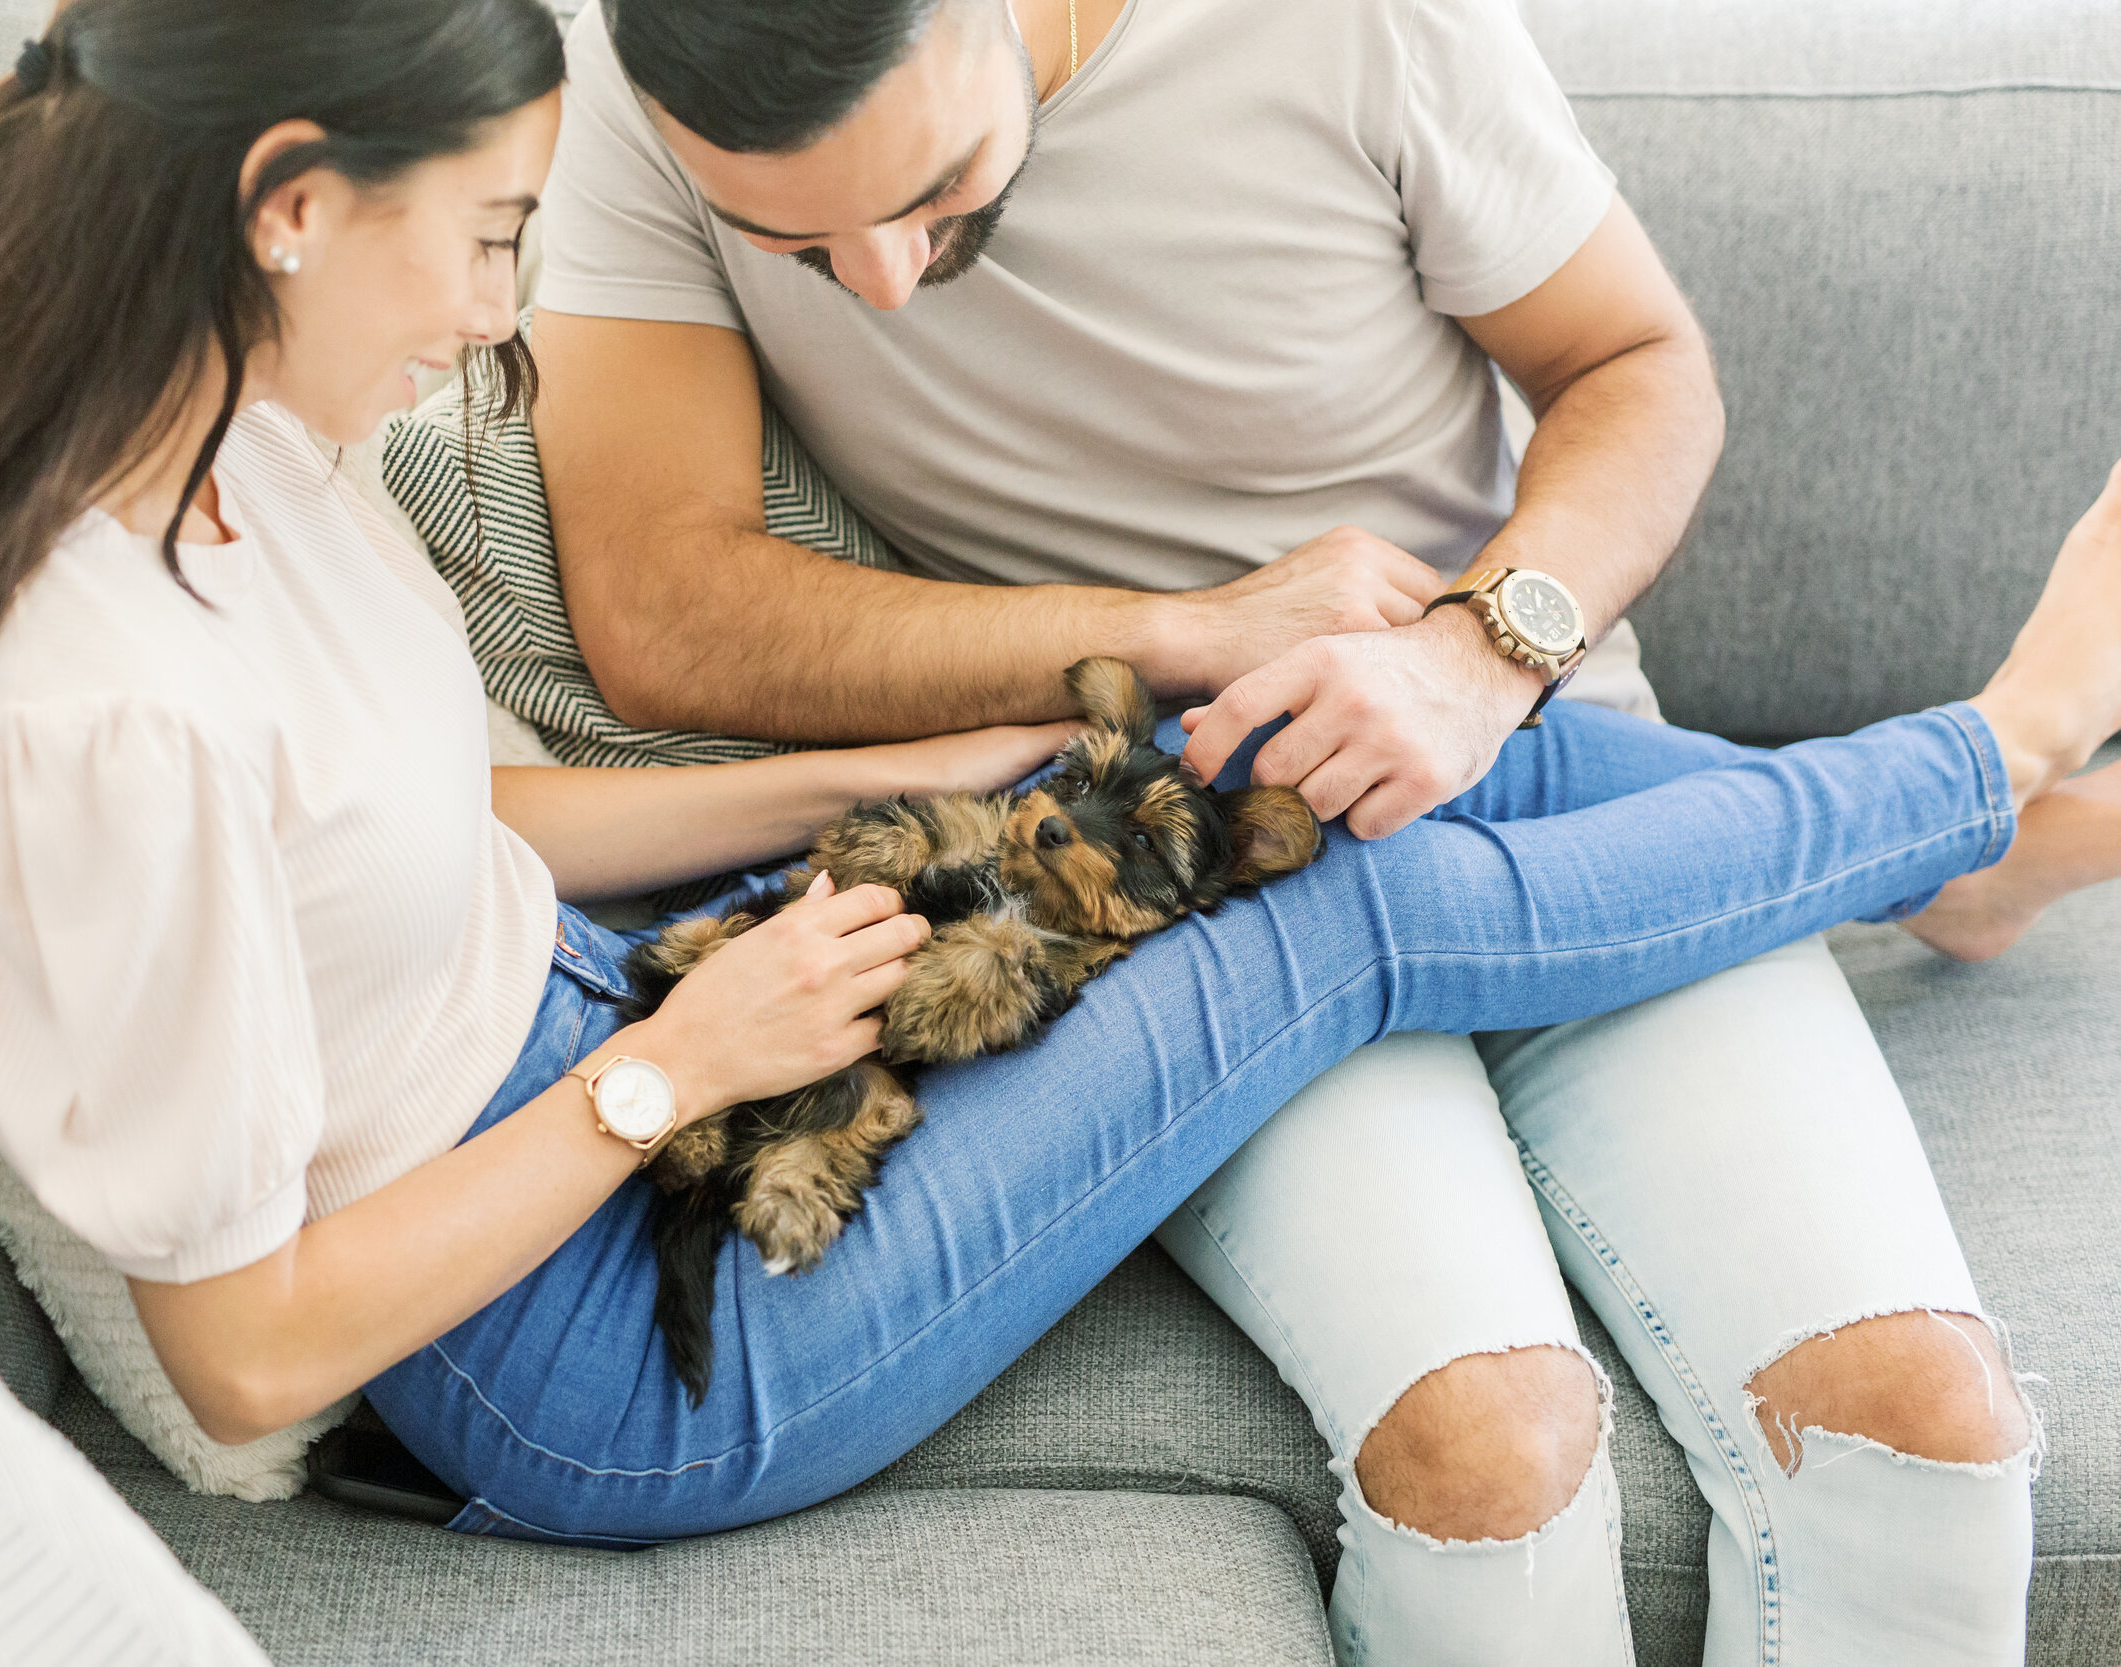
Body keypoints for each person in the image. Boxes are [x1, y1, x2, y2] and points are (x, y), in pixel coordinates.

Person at [0, 6, 2121, 1666]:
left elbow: (450, 818)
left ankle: (1945, 827)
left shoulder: (240, 478)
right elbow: (237, 1357)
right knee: (1334, 865)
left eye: (522, 239)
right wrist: (679, 1069)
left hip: (617, 1069)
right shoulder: (96, 711)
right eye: (489, 240)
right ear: (292, 212)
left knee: (1277, 741)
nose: (499, 320)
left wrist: (918, 771)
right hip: (613, 1326)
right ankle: (1987, 762)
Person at [519, 0, 2109, 1655]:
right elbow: (664, 607)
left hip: (1528, 770)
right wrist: (1187, 630)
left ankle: (1974, 829)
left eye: (934, 193)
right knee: (1491, 1451)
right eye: (795, 246)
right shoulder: (637, 91)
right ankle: (1979, 821)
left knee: (1919, 1428)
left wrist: (1480, 655)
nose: (882, 287)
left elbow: (1637, 366)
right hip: (1171, 876)